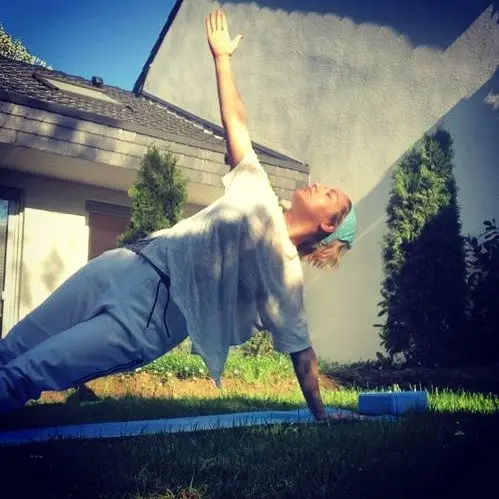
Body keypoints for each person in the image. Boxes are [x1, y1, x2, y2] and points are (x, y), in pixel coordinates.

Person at [0, 9, 356, 420]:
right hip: (125, 265)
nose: (320, 184)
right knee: (12, 348)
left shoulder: (285, 273)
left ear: (328, 225)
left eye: (330, 194)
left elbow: (302, 350)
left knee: (28, 372)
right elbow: (236, 121)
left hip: (150, 320)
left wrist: (320, 412)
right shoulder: (257, 190)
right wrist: (222, 59)